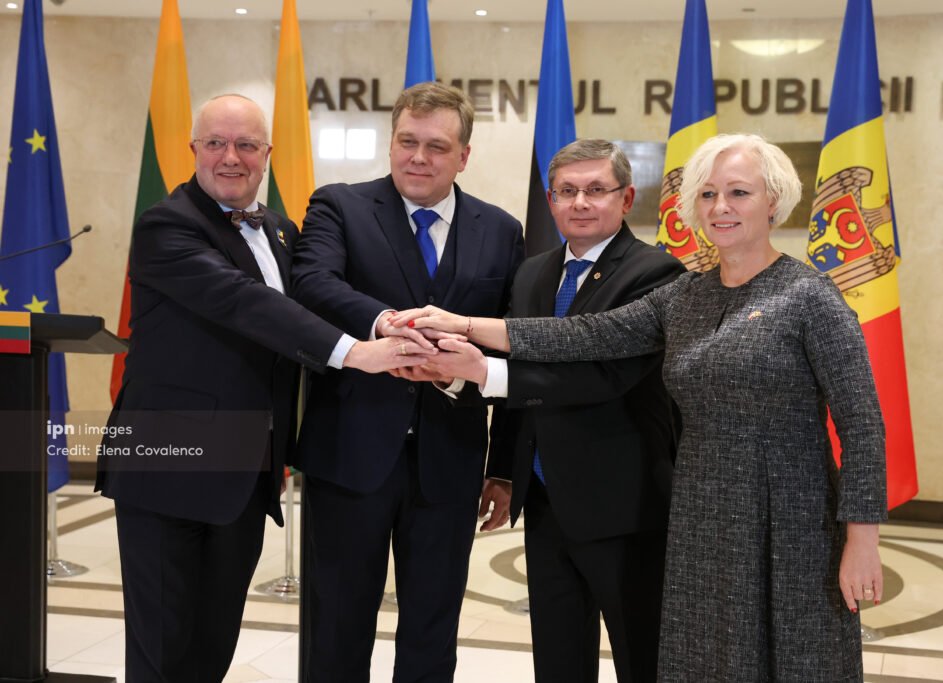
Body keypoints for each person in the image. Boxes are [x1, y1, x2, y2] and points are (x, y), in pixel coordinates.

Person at [393, 133, 887, 682]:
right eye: (707, 195)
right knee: (705, 662)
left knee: (796, 657)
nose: (720, 208)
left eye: (739, 193)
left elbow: (862, 424)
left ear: (773, 201)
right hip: (700, 512)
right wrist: (462, 325)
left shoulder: (811, 297)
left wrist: (862, 540)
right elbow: (585, 336)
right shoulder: (686, 296)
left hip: (790, 514)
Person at [97, 94, 433, 683]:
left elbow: (318, 295)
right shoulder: (166, 225)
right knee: (160, 650)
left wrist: (393, 325)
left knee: (212, 643)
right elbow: (244, 303)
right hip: (163, 469)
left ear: (267, 155)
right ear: (194, 150)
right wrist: (358, 353)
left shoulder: (280, 230)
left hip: (245, 471)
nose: (232, 157)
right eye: (217, 144)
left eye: (247, 144)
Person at [422, 138, 683, 683]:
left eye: (595, 190)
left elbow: (599, 376)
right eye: (566, 191)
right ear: (550, 199)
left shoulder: (656, 274)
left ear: (626, 197)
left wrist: (484, 371)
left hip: (623, 505)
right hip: (544, 500)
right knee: (558, 655)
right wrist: (501, 470)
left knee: (643, 654)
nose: (580, 203)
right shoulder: (534, 272)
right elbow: (522, 382)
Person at [289, 81, 525, 682]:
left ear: (464, 156)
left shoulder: (501, 230)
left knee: (432, 627)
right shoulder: (338, 205)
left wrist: (502, 467)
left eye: (437, 147)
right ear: (391, 142)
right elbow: (312, 282)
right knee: (336, 625)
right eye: (407, 142)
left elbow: (515, 343)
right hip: (350, 455)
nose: (418, 157)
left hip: (450, 462)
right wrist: (382, 322)